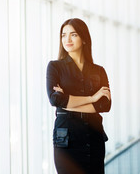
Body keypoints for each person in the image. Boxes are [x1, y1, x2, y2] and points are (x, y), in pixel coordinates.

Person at [46, 18, 111, 174]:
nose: (67, 39)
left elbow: (105, 105)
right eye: (63, 35)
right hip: (67, 140)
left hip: (93, 137)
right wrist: (92, 98)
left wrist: (69, 102)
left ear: (83, 39)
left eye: (73, 34)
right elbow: (56, 100)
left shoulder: (98, 71)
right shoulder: (55, 67)